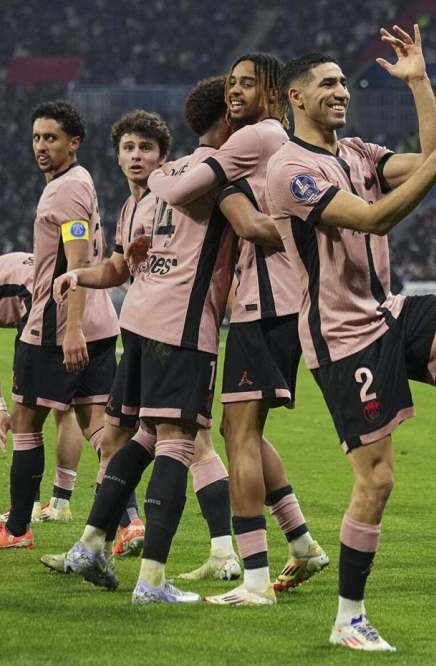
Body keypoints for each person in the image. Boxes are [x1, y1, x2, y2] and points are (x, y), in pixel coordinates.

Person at [266, 28, 436, 651]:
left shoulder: (358, 152)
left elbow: (429, 158)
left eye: (344, 82)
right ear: (295, 97)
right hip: (342, 336)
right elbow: (375, 217)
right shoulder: (289, 170)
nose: (342, 91)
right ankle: (348, 619)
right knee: (377, 482)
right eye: (328, 84)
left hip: (386, 310)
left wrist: (419, 81)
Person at [56, 77, 280, 603]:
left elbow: (134, 256)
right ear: (231, 119)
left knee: (143, 437)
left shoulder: (169, 177)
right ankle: (153, 580)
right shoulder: (218, 176)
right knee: (179, 443)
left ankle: (91, 543)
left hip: (138, 319)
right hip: (181, 326)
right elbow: (252, 228)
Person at [147, 54, 328, 605]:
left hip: (266, 304)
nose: (235, 90)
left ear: (273, 92)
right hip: (270, 302)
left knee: (240, 434)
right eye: (231, 82)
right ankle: (301, 543)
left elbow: (180, 192)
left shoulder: (256, 136)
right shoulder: (273, 140)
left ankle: (253, 579)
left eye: (247, 83)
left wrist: (157, 172)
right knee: (236, 430)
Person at [0, 101, 120, 551]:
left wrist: (70, 330)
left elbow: (75, 265)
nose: (41, 146)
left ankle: (16, 530)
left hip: (55, 329)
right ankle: (129, 523)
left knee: (26, 424)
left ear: (74, 143)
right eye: (36, 137)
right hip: (100, 323)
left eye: (51, 138)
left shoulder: (64, 192)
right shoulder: (81, 180)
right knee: (100, 430)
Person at [0, 253, 84, 524]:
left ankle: (27, 507)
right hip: (71, 297)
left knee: (23, 415)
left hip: (40, 304)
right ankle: (60, 504)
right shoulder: (0, 275)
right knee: (66, 408)